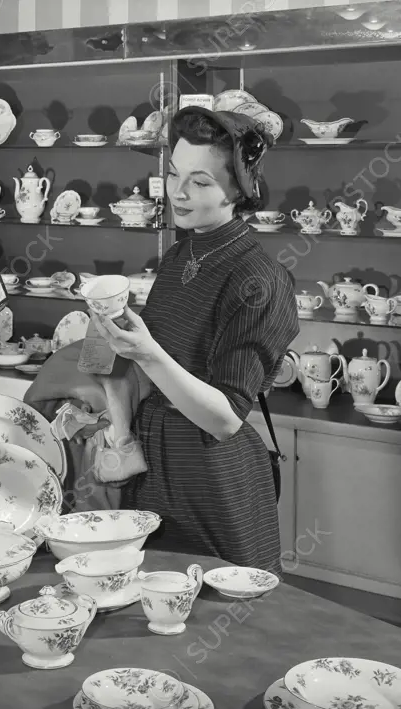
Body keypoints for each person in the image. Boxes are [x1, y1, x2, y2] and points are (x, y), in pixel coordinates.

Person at [90, 107, 299, 573]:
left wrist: (147, 351)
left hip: (214, 479)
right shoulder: (181, 255)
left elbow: (225, 419)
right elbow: (155, 365)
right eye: (172, 174)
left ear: (238, 190)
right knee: (152, 612)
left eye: (201, 182)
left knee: (225, 621)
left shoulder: (259, 279)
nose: (178, 193)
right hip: (153, 470)